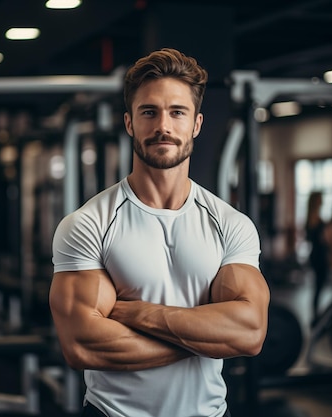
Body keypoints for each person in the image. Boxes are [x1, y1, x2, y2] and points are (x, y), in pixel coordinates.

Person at [49, 48, 270, 417]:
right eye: (149, 112)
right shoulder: (89, 224)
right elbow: (84, 347)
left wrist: (139, 314)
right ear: (130, 123)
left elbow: (249, 333)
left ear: (196, 124)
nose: (163, 126)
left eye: (177, 112)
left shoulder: (230, 224)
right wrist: (206, 339)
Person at [305, 191, 330, 323]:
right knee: (319, 286)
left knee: (318, 286)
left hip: (315, 255)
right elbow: (324, 240)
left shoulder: (310, 219)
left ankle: (316, 314)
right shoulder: (317, 221)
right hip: (319, 256)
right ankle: (316, 316)